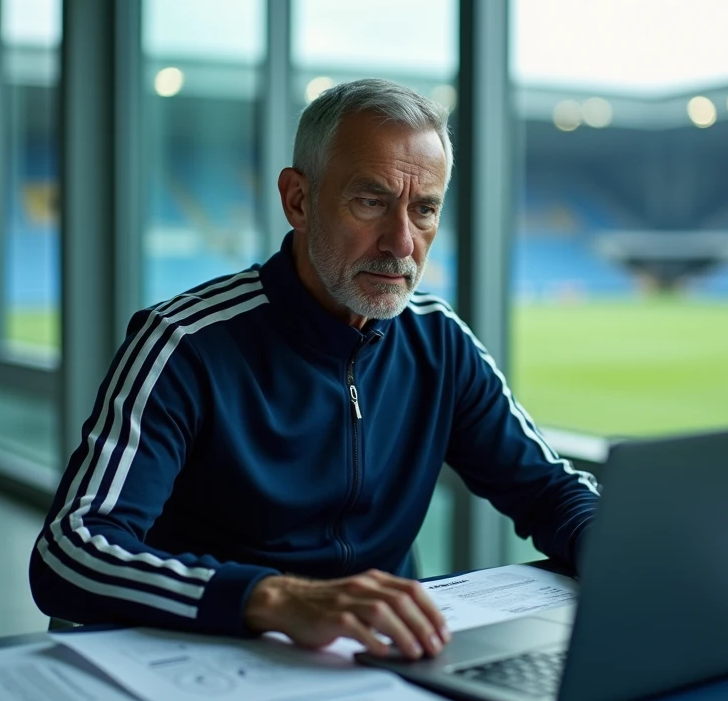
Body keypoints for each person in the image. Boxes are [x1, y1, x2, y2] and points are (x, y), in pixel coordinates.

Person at [29, 78, 599, 661]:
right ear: (298, 200)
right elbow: (70, 552)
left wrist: (621, 551)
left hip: (376, 664)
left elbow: (551, 491)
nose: (402, 242)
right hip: (212, 662)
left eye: (424, 209)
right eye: (371, 201)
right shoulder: (183, 343)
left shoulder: (439, 340)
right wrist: (272, 598)